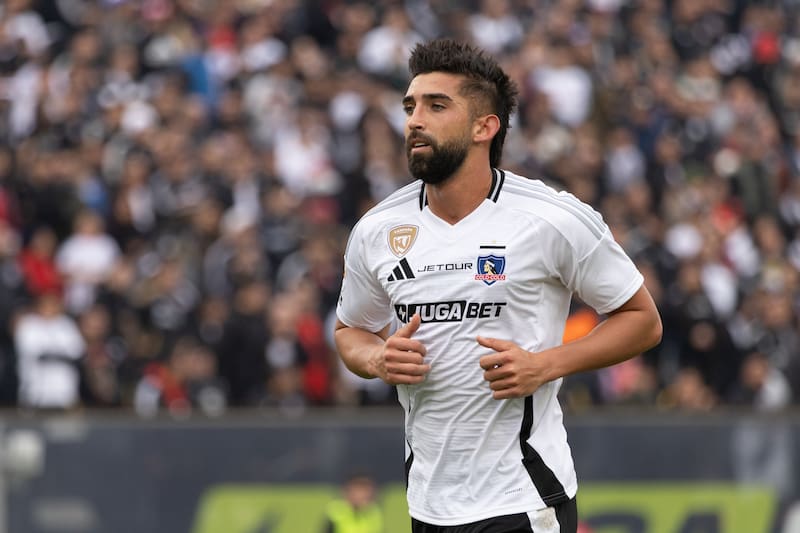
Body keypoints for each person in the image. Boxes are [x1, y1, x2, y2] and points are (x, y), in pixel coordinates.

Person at [333, 39, 662, 533]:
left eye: (436, 105)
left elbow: (643, 321)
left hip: (525, 498)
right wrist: (377, 359)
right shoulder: (377, 231)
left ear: (485, 127)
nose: (414, 120)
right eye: (410, 106)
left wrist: (545, 365)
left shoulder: (552, 218)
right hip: (427, 504)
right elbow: (350, 330)